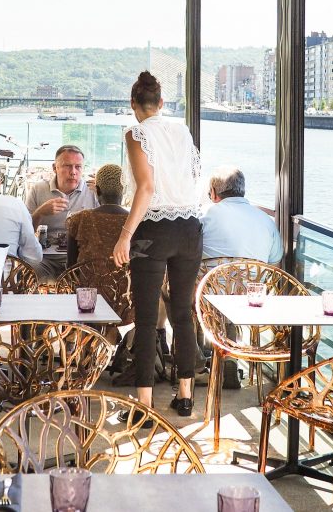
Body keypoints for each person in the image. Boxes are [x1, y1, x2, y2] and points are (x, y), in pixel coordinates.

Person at [113, 71, 203, 418]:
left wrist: (125, 236)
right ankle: (184, 395)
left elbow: (146, 188)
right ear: (162, 104)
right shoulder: (181, 130)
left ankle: (144, 406)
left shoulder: (136, 133)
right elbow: (192, 178)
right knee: (183, 312)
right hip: (190, 226)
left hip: (154, 229)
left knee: (148, 318)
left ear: (134, 105)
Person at [25, 144, 99, 278]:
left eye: (78, 167)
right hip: (45, 258)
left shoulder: (92, 191)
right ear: (55, 168)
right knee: (30, 269)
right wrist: (40, 212)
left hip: (80, 258)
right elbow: (26, 233)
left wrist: (104, 194)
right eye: (67, 166)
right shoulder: (38, 189)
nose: (73, 172)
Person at [201, 166, 283, 263]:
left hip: (211, 278)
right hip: (255, 278)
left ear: (213, 193)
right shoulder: (267, 220)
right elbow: (275, 260)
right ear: (242, 190)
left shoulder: (203, 213)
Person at [65, 163, 128, 266]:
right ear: (124, 191)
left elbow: (70, 266)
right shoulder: (135, 222)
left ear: (97, 190)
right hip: (126, 281)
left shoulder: (79, 219)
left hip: (86, 281)